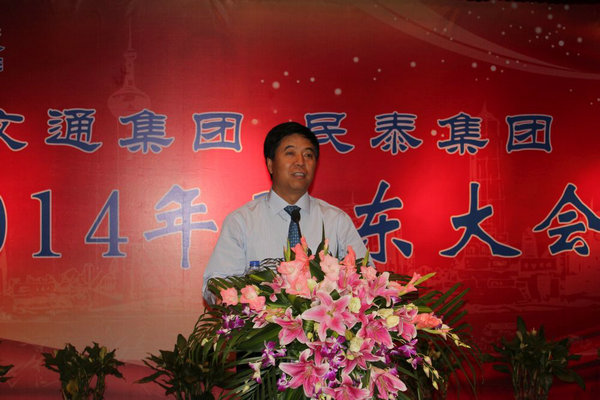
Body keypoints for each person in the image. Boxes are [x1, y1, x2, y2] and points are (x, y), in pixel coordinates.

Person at [203, 121, 367, 301]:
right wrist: (233, 298)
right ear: (270, 164)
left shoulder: (336, 221)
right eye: (290, 153)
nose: (301, 162)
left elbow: (366, 279)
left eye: (308, 155)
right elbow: (217, 284)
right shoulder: (241, 222)